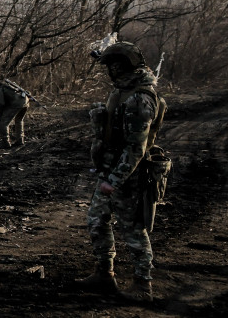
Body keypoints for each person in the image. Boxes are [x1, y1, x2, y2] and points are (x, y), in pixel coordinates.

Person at [76, 42, 167, 302]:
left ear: (122, 67)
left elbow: (136, 147)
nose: (109, 71)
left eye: (112, 66)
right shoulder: (124, 90)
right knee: (96, 220)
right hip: (109, 169)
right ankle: (104, 274)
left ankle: (143, 285)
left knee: (134, 230)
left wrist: (115, 180)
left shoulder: (140, 98)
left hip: (130, 175)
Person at [0, 79, 29, 148]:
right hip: (25, 101)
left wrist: (1, 115)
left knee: (3, 123)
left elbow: (0, 103)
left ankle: (6, 143)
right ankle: (20, 141)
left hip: (16, 103)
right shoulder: (5, 85)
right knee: (19, 120)